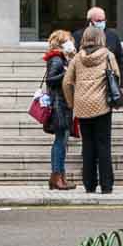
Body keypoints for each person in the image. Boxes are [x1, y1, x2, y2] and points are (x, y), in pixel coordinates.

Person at [63, 26, 115, 195]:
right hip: (102, 106)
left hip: (82, 106)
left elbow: (67, 82)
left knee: (88, 145)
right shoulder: (107, 55)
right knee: (103, 145)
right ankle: (106, 185)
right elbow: (117, 75)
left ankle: (89, 184)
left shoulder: (77, 58)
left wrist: (72, 103)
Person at [41, 29, 76, 190]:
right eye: (68, 40)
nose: (72, 42)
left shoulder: (61, 58)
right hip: (59, 105)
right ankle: (57, 177)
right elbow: (50, 80)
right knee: (60, 142)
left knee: (62, 141)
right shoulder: (56, 58)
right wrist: (67, 72)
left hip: (62, 104)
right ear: (62, 43)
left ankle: (60, 176)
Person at [71, 7, 123, 83]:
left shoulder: (112, 36)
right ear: (89, 21)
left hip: (107, 83)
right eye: (99, 21)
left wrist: (122, 83)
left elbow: (120, 61)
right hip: (85, 81)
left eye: (104, 20)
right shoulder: (78, 36)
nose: (102, 23)